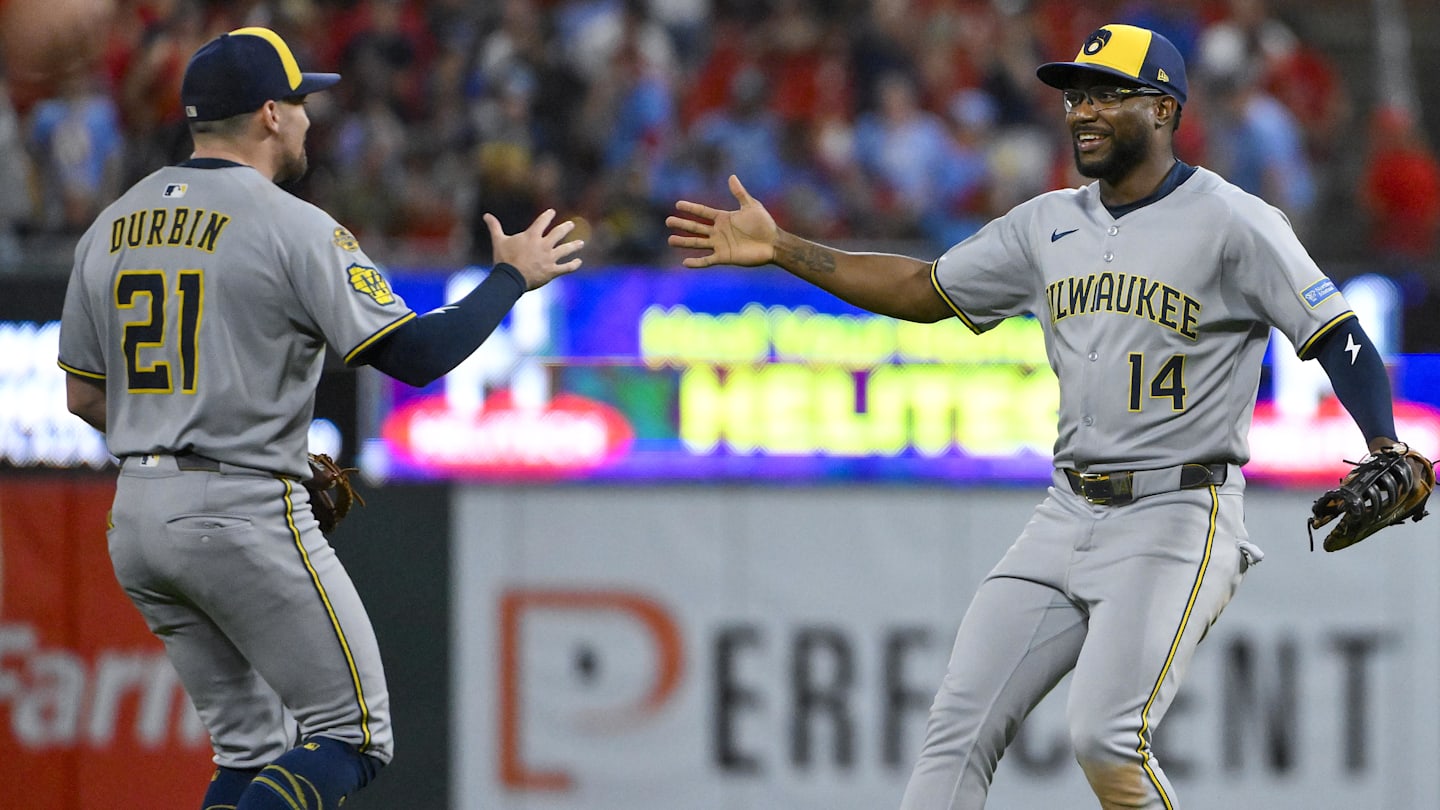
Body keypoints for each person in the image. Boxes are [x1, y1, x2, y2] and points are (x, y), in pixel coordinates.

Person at [668, 23, 1405, 809]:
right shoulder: (1048, 222)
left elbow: (1339, 334)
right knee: (958, 725)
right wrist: (783, 247)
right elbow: (922, 291)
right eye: (1075, 95)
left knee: (1105, 738)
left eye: (1107, 95)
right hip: (1066, 508)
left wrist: (1386, 442)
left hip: (1178, 510)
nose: (1082, 110)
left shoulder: (1234, 220)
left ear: (1162, 110)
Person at [57, 27, 582, 810]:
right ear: (270, 115)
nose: (309, 116)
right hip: (239, 505)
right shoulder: (290, 224)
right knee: (354, 736)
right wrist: (508, 280)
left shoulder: (112, 226)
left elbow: (84, 397)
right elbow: (414, 355)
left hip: (135, 515)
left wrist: (180, 434)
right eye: (301, 101)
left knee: (249, 752)